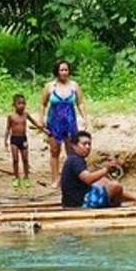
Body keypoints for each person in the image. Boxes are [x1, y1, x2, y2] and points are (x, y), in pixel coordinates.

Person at [60, 130, 136, 209]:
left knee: (103, 180)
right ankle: (115, 206)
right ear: (74, 146)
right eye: (84, 144)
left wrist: (104, 172)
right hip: (80, 203)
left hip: (76, 199)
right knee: (116, 186)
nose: (88, 147)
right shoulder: (75, 160)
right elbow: (88, 179)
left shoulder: (74, 158)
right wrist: (106, 169)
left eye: (89, 144)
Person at [40, 59, 87, 187]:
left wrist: (84, 118)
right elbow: (43, 104)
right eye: (61, 70)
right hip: (54, 122)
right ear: (57, 71)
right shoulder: (50, 86)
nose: (64, 72)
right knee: (54, 150)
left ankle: (70, 179)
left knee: (71, 151)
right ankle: (55, 179)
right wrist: (41, 119)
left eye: (66, 70)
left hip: (70, 122)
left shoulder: (74, 85)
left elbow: (80, 103)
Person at [4, 93, 48, 187]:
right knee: (15, 159)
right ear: (14, 105)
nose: (22, 105)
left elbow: (35, 123)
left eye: (24, 103)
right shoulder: (11, 116)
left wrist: (44, 130)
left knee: (25, 159)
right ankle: (16, 177)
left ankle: (26, 177)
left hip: (23, 139)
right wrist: (5, 141)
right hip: (14, 139)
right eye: (19, 103)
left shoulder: (25, 114)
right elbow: (8, 128)